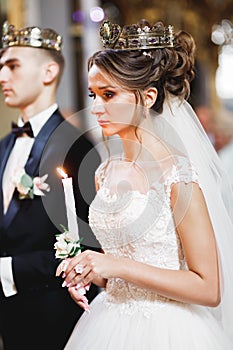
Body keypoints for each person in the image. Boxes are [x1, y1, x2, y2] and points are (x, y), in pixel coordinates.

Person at [59, 20, 233, 349]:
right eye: (93, 94)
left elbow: (209, 288)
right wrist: (90, 269)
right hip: (108, 323)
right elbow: (119, 269)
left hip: (169, 330)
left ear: (148, 97)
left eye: (109, 95)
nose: (96, 107)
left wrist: (116, 265)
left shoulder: (178, 176)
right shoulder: (105, 172)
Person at [0, 22, 100, 350]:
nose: (2, 76)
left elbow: (91, 246)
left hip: (57, 315)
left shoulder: (77, 147)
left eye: (12, 66)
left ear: (48, 71)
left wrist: (10, 269)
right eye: (1, 66)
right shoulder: (3, 146)